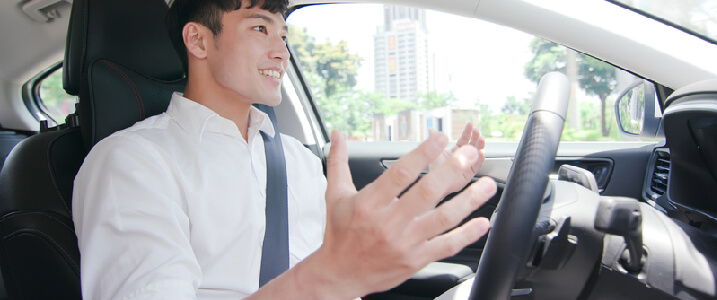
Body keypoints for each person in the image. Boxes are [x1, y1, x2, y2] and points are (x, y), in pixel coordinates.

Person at [71, 0, 498, 298]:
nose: (283, 50)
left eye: (284, 34)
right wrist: (329, 277)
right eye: (260, 28)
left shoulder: (295, 158)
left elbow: (346, 264)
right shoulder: (132, 163)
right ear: (198, 41)